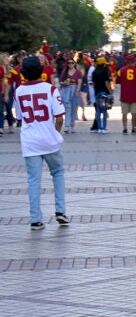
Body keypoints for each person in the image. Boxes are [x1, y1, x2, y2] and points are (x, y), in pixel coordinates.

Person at [14, 56, 70, 230]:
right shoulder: (50, 89)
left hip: (30, 141)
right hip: (49, 139)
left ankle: (35, 219)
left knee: (33, 180)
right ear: (41, 70)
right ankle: (60, 211)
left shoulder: (19, 91)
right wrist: (55, 132)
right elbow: (60, 116)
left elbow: (19, 118)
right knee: (58, 172)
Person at [116, 54, 136, 134]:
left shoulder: (121, 70)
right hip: (134, 96)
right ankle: (133, 128)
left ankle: (125, 128)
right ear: (133, 61)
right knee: (134, 113)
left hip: (124, 95)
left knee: (124, 113)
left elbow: (117, 81)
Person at [58, 57, 83, 133]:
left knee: (74, 110)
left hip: (75, 91)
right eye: (69, 63)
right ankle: (67, 126)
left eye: (72, 63)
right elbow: (61, 82)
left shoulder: (78, 72)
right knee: (67, 109)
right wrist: (65, 83)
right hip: (66, 91)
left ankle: (72, 126)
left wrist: (78, 91)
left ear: (74, 63)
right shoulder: (64, 72)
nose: (70, 64)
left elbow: (79, 82)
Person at [91, 56, 112, 133]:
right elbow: (106, 83)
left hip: (97, 92)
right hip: (104, 92)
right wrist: (110, 92)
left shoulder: (94, 72)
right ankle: (104, 128)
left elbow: (93, 84)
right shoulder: (104, 72)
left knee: (98, 111)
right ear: (102, 64)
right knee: (104, 110)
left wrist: (95, 90)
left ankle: (99, 128)